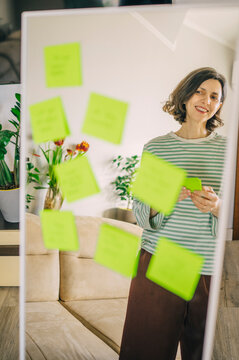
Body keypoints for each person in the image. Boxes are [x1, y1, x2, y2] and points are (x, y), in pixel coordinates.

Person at [119, 67, 227, 360]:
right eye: (199, 91)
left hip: (210, 267)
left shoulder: (229, 151)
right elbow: (140, 213)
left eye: (214, 96)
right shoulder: (156, 148)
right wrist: (161, 200)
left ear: (219, 105)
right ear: (185, 95)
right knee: (145, 351)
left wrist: (217, 207)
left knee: (205, 352)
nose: (206, 100)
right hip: (159, 261)